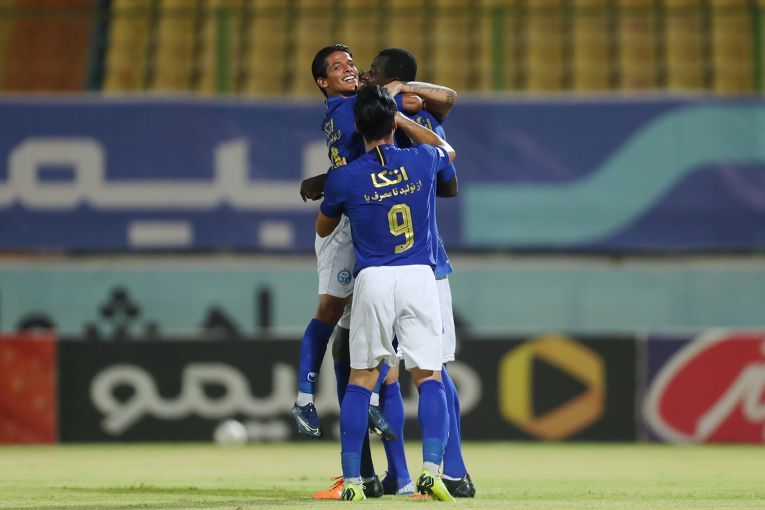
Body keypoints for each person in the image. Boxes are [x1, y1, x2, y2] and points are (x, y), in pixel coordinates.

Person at [292, 43, 458, 499]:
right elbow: (446, 150)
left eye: (357, 66)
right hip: (419, 274)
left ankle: (354, 476)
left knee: (360, 374)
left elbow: (324, 226)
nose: (354, 70)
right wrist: (402, 112)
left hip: (372, 276)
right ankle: (428, 471)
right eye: (341, 66)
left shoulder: (347, 172)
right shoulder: (420, 161)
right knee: (428, 376)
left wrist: (332, 187)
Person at [364, 47, 476, 498]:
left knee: (424, 370)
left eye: (373, 71)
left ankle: (453, 471)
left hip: (406, 264)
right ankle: (409, 473)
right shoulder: (418, 121)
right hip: (413, 264)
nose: (366, 74)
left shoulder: (411, 116)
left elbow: (449, 178)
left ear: (389, 77)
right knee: (407, 370)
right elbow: (448, 183)